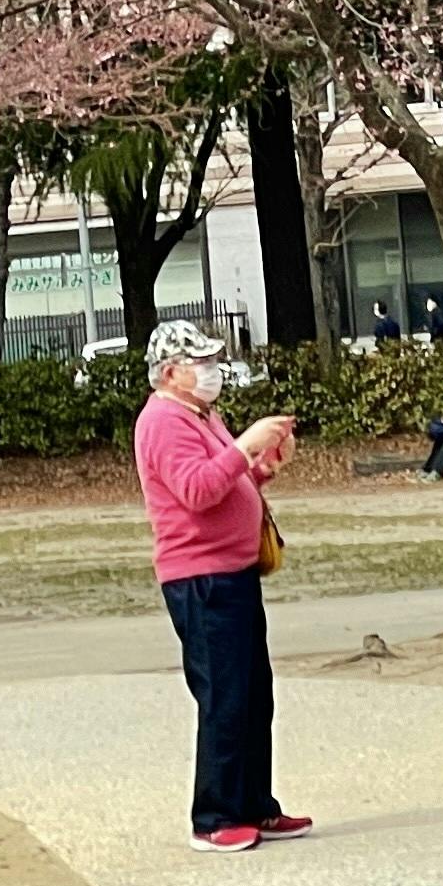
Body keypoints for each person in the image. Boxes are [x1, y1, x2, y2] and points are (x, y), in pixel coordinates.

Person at [133, 319, 308, 853]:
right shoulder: (162, 421)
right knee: (225, 696)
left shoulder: (202, 415)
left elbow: (227, 481)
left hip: (234, 569)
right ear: (171, 373)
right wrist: (246, 444)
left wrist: (263, 466)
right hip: (200, 576)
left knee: (254, 694)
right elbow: (196, 489)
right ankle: (213, 817)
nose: (213, 371)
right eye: (201, 362)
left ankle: (254, 804)